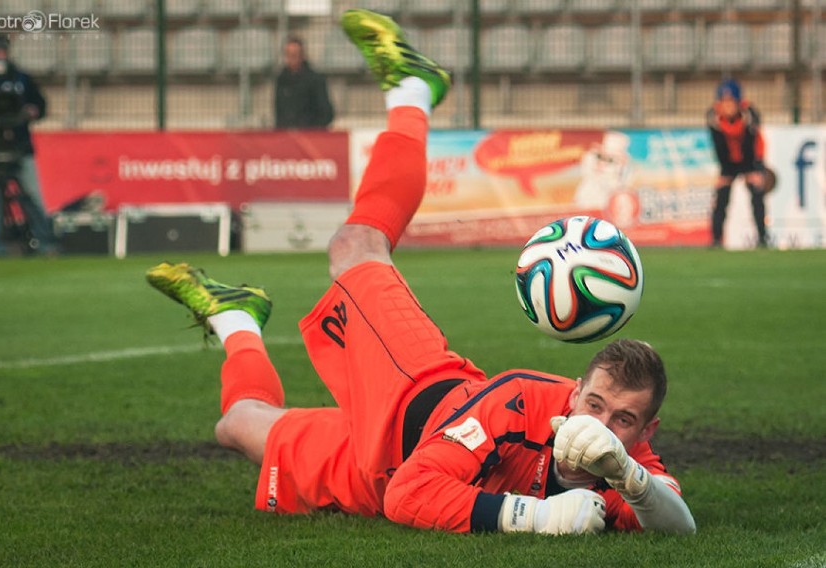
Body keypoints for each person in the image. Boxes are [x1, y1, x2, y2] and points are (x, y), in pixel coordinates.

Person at [147, 10, 696, 536]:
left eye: (623, 420)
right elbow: (416, 492)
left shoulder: (629, 463)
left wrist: (630, 476)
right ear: (573, 395)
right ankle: (412, 90)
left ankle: (236, 316)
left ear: (646, 432)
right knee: (355, 243)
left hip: (381, 469)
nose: (601, 426)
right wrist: (537, 516)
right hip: (411, 387)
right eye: (595, 405)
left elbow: (678, 524)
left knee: (238, 426)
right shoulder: (521, 402)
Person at [0, 34, 56, 256]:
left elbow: (40, 104)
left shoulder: (21, 79)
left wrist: (32, 111)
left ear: (7, 52)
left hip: (20, 146)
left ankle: (46, 242)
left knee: (31, 193)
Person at [706, 78, 768, 249]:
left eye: (731, 102)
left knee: (757, 193)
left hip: (751, 158)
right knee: (721, 196)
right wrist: (725, 172)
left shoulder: (750, 116)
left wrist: (753, 170)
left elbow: (751, 144)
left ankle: (762, 238)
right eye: (724, 102)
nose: (728, 106)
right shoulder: (713, 118)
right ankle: (716, 239)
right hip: (728, 161)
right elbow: (719, 147)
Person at [273, 35, 334, 129]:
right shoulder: (281, 80)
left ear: (302, 55)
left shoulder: (315, 80)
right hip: (286, 135)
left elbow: (326, 113)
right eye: (288, 55)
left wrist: (311, 130)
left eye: (295, 55)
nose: (291, 58)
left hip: (309, 134)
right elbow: (278, 111)